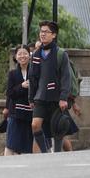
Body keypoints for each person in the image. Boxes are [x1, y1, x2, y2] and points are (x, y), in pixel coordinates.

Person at [29, 21, 71, 153]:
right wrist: (31, 98)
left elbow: (66, 77)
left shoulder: (60, 54)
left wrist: (63, 97)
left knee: (57, 129)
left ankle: (57, 154)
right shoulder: (35, 55)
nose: (42, 34)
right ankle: (45, 152)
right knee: (35, 125)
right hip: (40, 97)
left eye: (46, 32)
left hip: (56, 97)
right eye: (41, 31)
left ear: (54, 35)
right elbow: (32, 78)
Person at [3, 45, 33, 155]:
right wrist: (22, 86)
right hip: (15, 112)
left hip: (30, 112)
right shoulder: (12, 74)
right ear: (15, 57)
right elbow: (10, 93)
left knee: (27, 144)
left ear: (29, 55)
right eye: (19, 54)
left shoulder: (35, 72)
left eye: (25, 53)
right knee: (11, 143)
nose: (22, 56)